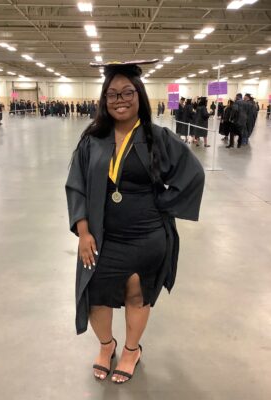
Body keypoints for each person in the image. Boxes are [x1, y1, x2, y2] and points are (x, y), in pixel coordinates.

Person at [65, 60, 205, 384]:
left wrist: (163, 205)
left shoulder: (157, 138)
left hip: (146, 236)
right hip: (103, 236)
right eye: (112, 94)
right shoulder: (92, 140)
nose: (120, 99)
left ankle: (130, 350)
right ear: (104, 99)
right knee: (96, 294)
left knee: (136, 293)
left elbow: (193, 174)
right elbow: (77, 186)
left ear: (139, 95)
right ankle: (106, 345)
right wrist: (83, 232)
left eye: (127, 92)